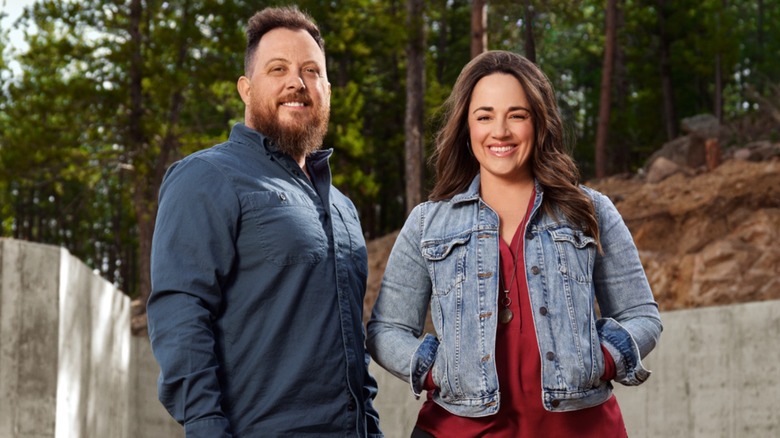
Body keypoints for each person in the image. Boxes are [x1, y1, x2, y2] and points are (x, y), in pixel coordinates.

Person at [366, 50, 662, 437]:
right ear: (466, 127)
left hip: (583, 429)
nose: (500, 131)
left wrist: (602, 360)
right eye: (484, 116)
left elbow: (642, 315)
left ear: (539, 123)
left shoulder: (592, 211)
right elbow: (386, 329)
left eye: (517, 115)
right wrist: (437, 368)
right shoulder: (427, 223)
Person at [147, 6, 382, 437]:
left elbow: (352, 345)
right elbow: (180, 313)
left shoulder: (344, 209)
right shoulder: (206, 177)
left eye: (311, 71)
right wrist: (205, 426)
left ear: (327, 89)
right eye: (279, 69)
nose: (297, 82)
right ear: (246, 88)